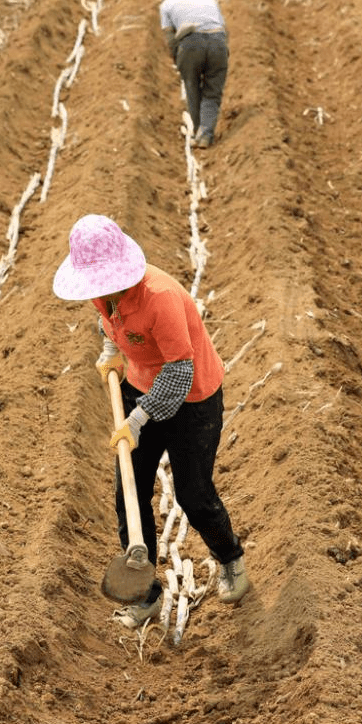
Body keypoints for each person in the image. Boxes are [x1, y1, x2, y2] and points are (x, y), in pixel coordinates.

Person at [53, 214, 249, 626]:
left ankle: (230, 557)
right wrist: (111, 349)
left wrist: (139, 419)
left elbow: (179, 372)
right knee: (129, 494)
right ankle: (147, 592)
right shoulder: (103, 294)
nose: (99, 293)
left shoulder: (159, 298)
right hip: (140, 384)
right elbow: (108, 319)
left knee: (194, 496)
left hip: (194, 396)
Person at [159, 0, 229, 149]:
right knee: (212, 92)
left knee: (192, 86)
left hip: (190, 44)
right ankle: (205, 135)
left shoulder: (167, 3)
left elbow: (170, 37)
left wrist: (178, 59)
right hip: (217, 40)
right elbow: (223, 28)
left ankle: (197, 131)